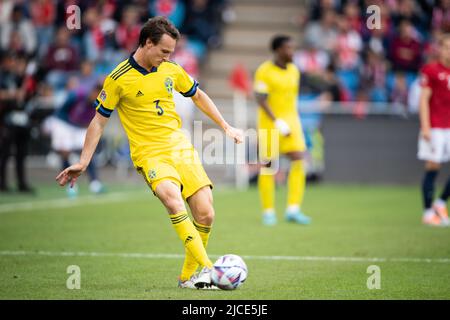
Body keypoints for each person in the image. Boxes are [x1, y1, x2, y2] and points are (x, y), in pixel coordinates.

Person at [55, 16, 243, 289]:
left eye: (171, 52)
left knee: (206, 214)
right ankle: (210, 270)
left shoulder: (171, 69)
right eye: (164, 51)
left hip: (179, 146)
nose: (168, 57)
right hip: (149, 153)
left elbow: (198, 95)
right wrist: (83, 161)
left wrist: (226, 126)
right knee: (173, 201)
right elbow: (98, 121)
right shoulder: (118, 78)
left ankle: (187, 277)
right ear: (146, 43)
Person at [254, 35, 312, 226]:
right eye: (288, 48)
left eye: (293, 48)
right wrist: (277, 121)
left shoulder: (294, 70)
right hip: (270, 124)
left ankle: (293, 209)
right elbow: (261, 99)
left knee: (299, 159)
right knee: (269, 167)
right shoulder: (264, 71)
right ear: (278, 50)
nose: (292, 52)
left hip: (292, 122)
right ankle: (268, 212)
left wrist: (288, 120)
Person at [48, 82, 105, 197]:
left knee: (88, 151)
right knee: (65, 152)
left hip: (78, 127)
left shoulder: (98, 103)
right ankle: (71, 186)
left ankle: (95, 183)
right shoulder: (77, 95)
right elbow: (61, 111)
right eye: (97, 94)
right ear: (94, 91)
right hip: (64, 124)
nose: (98, 97)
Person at [418, 34, 450, 227]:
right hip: (435, 127)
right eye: (445, 47)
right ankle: (428, 212)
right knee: (433, 167)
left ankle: (440, 203)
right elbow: (423, 99)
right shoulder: (431, 70)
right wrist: (425, 126)